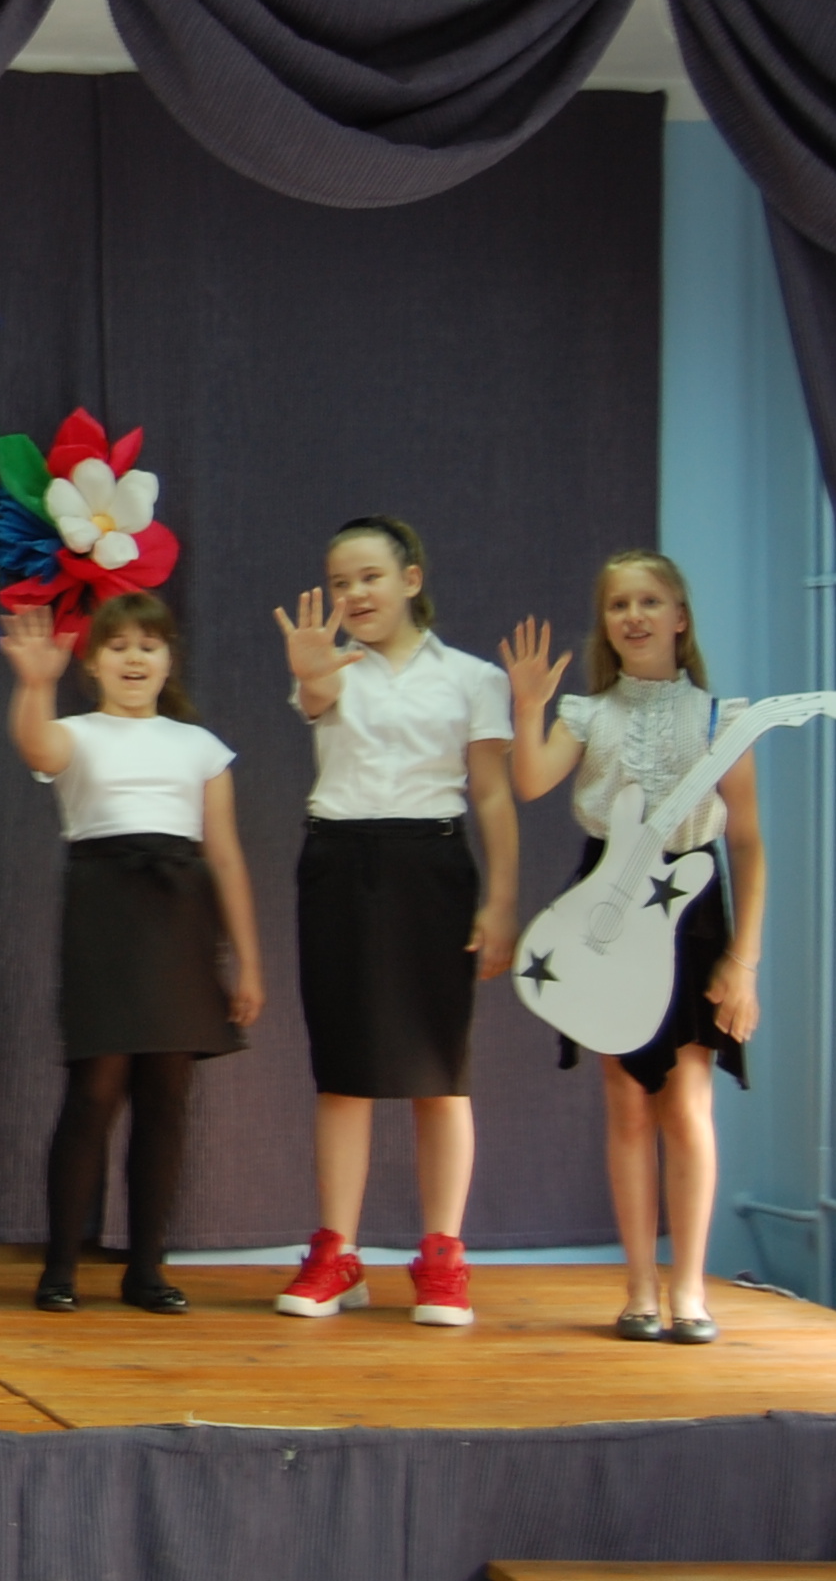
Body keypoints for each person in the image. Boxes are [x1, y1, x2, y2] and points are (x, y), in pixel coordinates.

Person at [502, 552, 766, 1345]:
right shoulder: (588, 714)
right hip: (606, 908)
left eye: (651, 601)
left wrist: (743, 963)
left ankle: (689, 1286)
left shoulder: (724, 719)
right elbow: (530, 781)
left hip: (693, 911)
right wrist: (528, 707)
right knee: (625, 1104)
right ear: (606, 623)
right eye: (619, 604)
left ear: (680, 617)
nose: (635, 615)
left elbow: (748, 843)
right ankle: (640, 1287)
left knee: (685, 1103)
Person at [271, 515, 517, 1327]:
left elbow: (491, 794)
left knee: (439, 1071)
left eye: (370, 577)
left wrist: (501, 900)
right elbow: (316, 700)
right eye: (340, 582)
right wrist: (312, 674)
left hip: (432, 866)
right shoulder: (330, 664)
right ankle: (337, 1253)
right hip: (339, 863)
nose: (355, 594)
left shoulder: (474, 677)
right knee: (344, 1068)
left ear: (411, 579)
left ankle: (442, 1255)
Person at [3, 597, 262, 1316]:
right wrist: (34, 684)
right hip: (105, 911)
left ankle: (146, 1268)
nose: (135, 659)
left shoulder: (201, 746)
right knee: (95, 1089)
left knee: (166, 1095)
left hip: (180, 916)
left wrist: (247, 961)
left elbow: (226, 857)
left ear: (169, 659)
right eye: (117, 647)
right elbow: (36, 749)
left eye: (149, 645)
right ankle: (60, 1266)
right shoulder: (76, 733)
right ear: (92, 664)